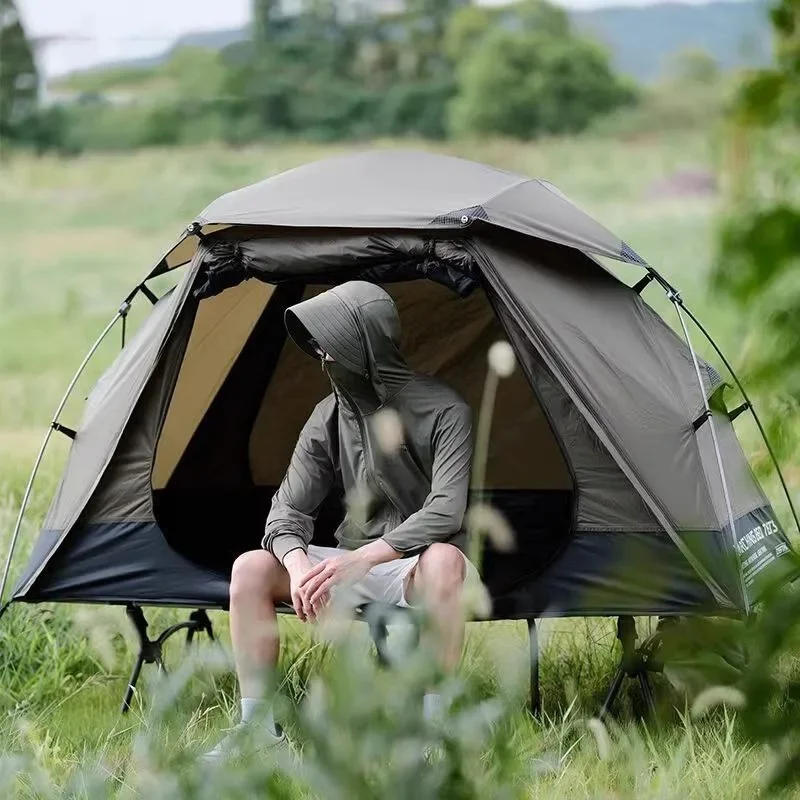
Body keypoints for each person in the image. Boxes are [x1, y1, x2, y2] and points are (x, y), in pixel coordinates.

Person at [204, 280, 476, 760]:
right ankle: (257, 731)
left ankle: (435, 733)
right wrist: (298, 567)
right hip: (345, 563)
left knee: (446, 561)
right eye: (317, 346)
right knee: (249, 567)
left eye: (331, 345)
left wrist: (367, 559)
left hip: (413, 567)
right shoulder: (326, 416)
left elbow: (446, 509)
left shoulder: (446, 410)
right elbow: (287, 510)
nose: (320, 354)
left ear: (366, 347)